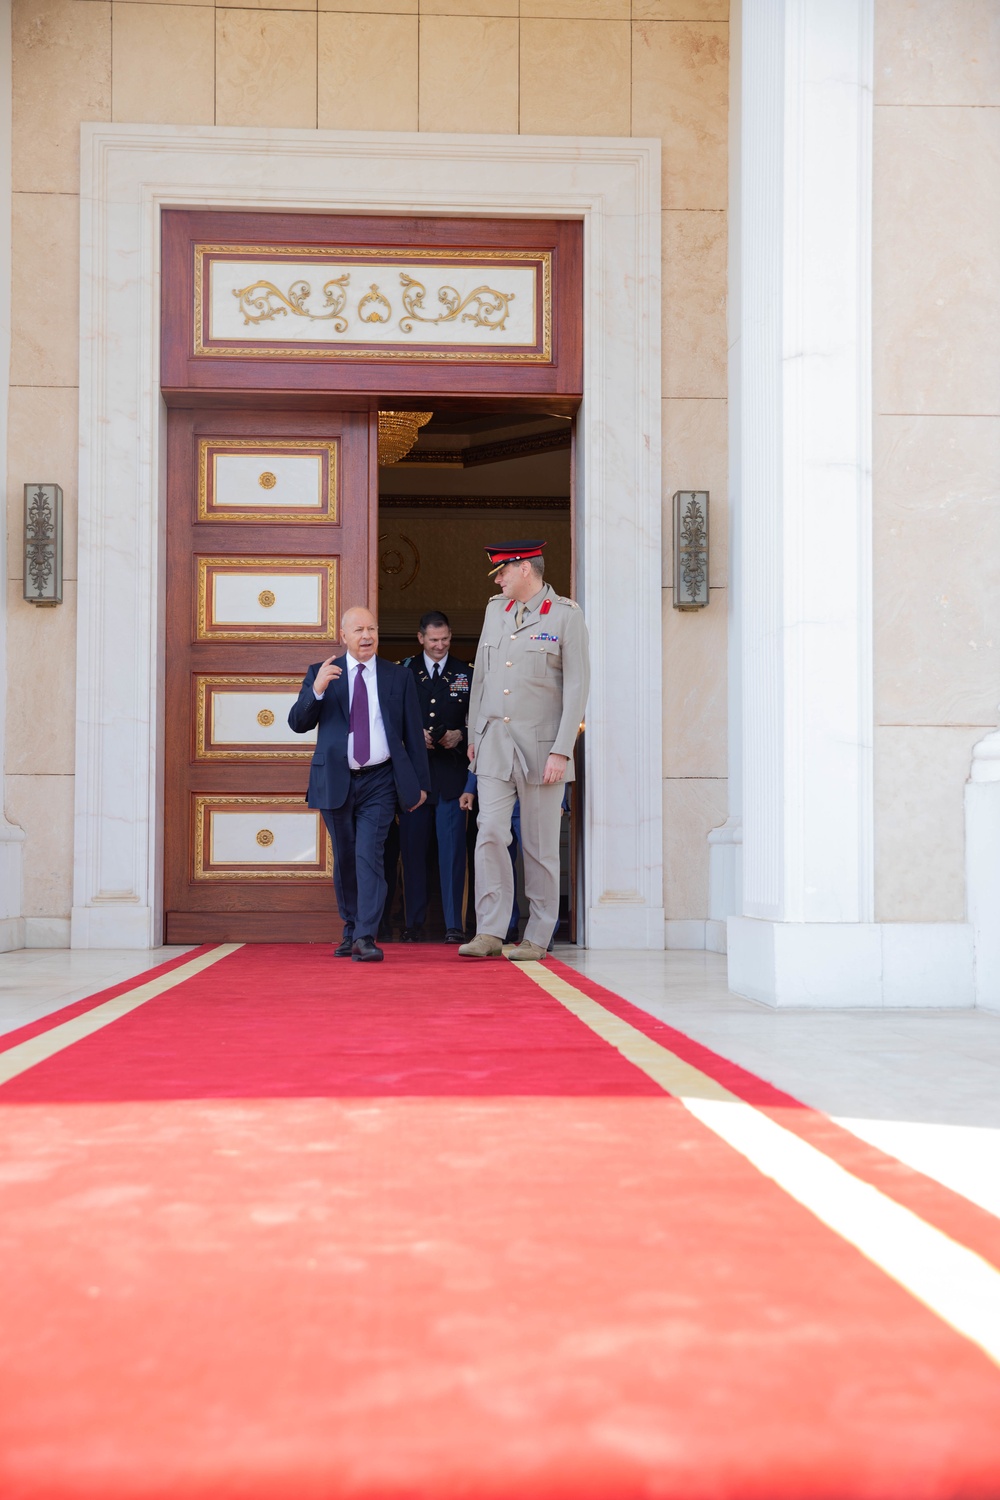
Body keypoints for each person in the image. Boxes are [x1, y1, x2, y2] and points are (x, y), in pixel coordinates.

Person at [459, 540, 589, 962]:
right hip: (494, 744)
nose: (498, 580)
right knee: (491, 833)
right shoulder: (495, 610)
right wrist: (474, 732)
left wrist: (562, 750)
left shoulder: (566, 616)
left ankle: (536, 934)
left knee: (539, 845)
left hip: (542, 749)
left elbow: (577, 688)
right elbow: (482, 676)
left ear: (525, 570)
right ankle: (490, 930)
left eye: (502, 572)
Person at [288, 606, 429, 963]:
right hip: (335, 779)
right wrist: (317, 689)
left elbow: (413, 735)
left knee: (370, 855)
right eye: (359, 630)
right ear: (344, 635)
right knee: (347, 858)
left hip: (380, 779)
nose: (366, 636)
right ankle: (350, 928)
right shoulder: (322, 673)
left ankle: (366, 935)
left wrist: (421, 784)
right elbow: (297, 723)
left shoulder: (398, 677)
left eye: (372, 628)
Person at [397, 611, 473, 944]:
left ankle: (454, 924)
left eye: (444, 639)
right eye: (433, 640)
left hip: (452, 778)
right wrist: (413, 736)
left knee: (453, 853)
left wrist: (461, 735)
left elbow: (483, 721)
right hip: (415, 779)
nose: (440, 645)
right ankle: (413, 923)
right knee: (412, 852)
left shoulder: (466, 673)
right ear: (420, 639)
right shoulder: (402, 672)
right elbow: (389, 722)